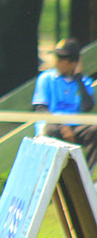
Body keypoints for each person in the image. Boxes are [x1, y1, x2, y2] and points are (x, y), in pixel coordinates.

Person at [32, 37, 97, 169]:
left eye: (62, 59)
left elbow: (87, 107)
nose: (57, 62)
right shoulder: (46, 78)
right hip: (52, 125)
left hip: (75, 126)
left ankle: (84, 173)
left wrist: (78, 79)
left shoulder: (84, 82)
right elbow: (41, 109)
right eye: (57, 57)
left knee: (94, 130)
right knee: (51, 130)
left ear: (73, 63)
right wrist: (63, 127)